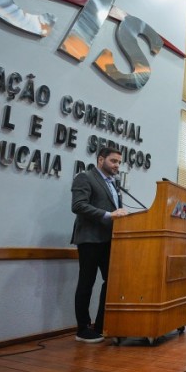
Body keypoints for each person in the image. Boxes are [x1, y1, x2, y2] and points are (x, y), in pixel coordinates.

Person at [70, 147, 129, 343]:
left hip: (109, 239)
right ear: (101, 160)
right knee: (86, 282)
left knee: (111, 281)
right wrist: (109, 214)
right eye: (113, 161)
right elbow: (78, 205)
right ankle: (83, 329)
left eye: (119, 162)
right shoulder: (85, 177)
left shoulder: (114, 183)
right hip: (89, 239)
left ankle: (102, 324)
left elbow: (114, 209)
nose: (117, 165)